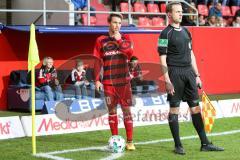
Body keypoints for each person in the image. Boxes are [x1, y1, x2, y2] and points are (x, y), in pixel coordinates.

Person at [157, 2, 224, 155]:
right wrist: (167, 79)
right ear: (169, 14)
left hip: (189, 73)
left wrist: (197, 75)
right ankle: (178, 145)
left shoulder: (186, 32)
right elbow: (162, 58)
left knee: (195, 108)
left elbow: (191, 54)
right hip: (174, 73)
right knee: (174, 109)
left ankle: (205, 143)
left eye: (181, 11)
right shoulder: (164, 34)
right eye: (177, 12)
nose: (181, 14)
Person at [93, 13, 135, 150]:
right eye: (115, 22)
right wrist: (97, 80)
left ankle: (130, 141)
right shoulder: (101, 40)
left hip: (124, 82)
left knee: (127, 110)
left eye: (119, 23)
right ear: (109, 23)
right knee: (112, 111)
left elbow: (130, 54)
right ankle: (115, 140)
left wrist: (120, 41)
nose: (117, 25)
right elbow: (97, 61)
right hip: (108, 83)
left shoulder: (125, 38)